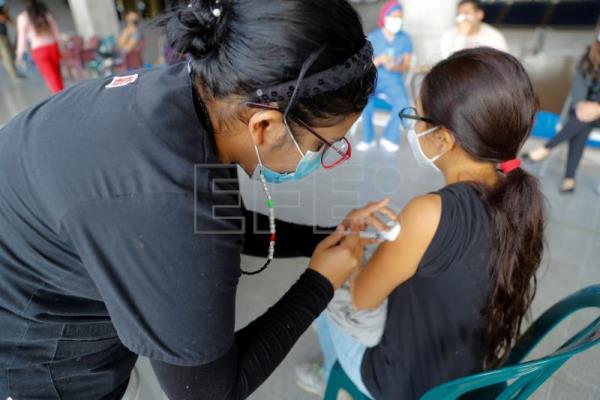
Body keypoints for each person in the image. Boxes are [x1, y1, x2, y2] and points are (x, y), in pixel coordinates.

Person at [0, 1, 398, 399]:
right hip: (34, 360)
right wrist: (320, 282)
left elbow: (221, 221)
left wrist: (325, 236)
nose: (323, 160)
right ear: (264, 125)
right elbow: (206, 392)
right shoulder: (166, 209)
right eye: (323, 145)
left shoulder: (194, 95)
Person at [296, 47, 546, 400]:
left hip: (405, 384)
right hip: (464, 372)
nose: (413, 126)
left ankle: (332, 376)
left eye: (418, 117)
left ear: (443, 138)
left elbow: (363, 298)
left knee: (325, 298)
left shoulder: (430, 212)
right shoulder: (519, 200)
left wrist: (350, 238)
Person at [523, 20, 600, 194]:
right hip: (582, 113)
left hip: (592, 114)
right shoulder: (590, 54)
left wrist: (597, 108)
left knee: (581, 121)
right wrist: (581, 103)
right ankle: (569, 178)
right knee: (582, 124)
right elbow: (578, 85)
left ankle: (546, 148)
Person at [357, 1, 413, 153]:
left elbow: (406, 65)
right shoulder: (374, 37)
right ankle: (367, 138)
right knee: (365, 100)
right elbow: (364, 65)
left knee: (403, 102)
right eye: (393, 16)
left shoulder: (405, 39)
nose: (397, 20)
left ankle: (389, 136)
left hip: (394, 80)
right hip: (374, 78)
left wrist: (396, 66)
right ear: (385, 17)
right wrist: (379, 61)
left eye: (400, 17)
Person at [16, 0, 64, 93]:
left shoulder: (23, 17)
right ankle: (62, 96)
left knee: (52, 80)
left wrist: (19, 55)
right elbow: (56, 32)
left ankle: (60, 100)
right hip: (53, 47)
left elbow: (22, 39)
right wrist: (61, 48)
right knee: (57, 77)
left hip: (39, 51)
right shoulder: (45, 14)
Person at [440, 0, 508, 59]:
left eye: (466, 13)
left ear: (480, 14)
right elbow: (447, 61)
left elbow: (503, 61)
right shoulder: (449, 35)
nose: (462, 18)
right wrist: (462, 35)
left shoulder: (494, 36)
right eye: (458, 14)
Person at [0, 0, 19, 80]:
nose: (7, 7)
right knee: (7, 55)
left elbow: (11, 22)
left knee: (11, 54)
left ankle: (15, 72)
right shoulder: (2, 15)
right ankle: (14, 75)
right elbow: (3, 19)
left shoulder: (4, 13)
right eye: (5, 6)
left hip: (4, 35)